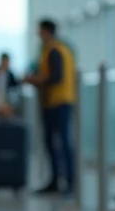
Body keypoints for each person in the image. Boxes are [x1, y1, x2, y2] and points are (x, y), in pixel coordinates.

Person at [24, 19, 77, 194]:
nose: (38, 35)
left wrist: (35, 80)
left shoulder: (54, 50)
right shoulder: (62, 48)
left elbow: (56, 77)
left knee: (61, 141)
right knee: (54, 141)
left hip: (57, 102)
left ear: (46, 32)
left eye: (40, 31)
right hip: (59, 101)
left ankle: (68, 181)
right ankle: (58, 180)